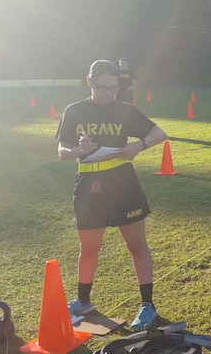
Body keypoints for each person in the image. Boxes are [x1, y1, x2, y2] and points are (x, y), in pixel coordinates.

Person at [56, 59, 168, 331]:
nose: (109, 93)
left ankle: (147, 306)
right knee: (89, 248)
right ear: (90, 82)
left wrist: (139, 146)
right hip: (88, 184)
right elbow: (62, 151)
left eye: (114, 88)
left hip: (122, 183)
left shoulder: (124, 110)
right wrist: (78, 152)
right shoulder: (75, 111)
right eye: (104, 87)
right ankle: (83, 302)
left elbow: (159, 133)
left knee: (136, 246)